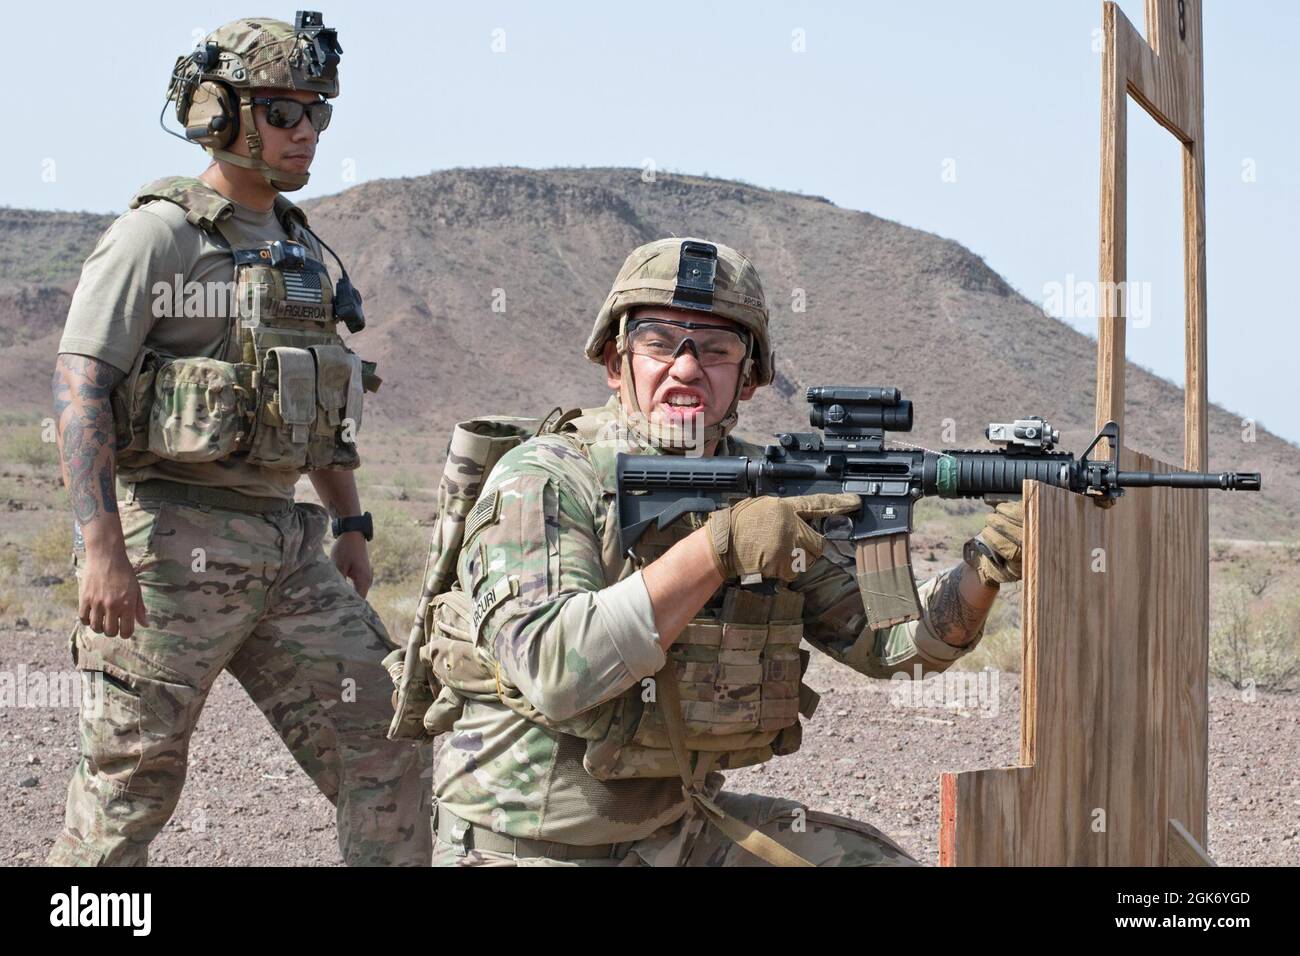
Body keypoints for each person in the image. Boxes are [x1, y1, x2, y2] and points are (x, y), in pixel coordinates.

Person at [423, 237, 1023, 866]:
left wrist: (985, 565)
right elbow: (557, 672)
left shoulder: (767, 484)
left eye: (716, 350)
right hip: (529, 850)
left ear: (750, 380)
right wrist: (720, 548)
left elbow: (893, 649)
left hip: (677, 836)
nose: (685, 368)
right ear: (614, 360)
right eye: (659, 343)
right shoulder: (547, 478)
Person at [47, 12, 430, 866]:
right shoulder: (159, 237)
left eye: (318, 112)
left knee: (391, 735)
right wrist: (100, 544)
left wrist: (352, 525)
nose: (307, 132)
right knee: (128, 786)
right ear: (218, 113)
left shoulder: (301, 247)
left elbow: (320, 402)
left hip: (286, 548)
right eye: (284, 111)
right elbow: (80, 387)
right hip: (167, 546)